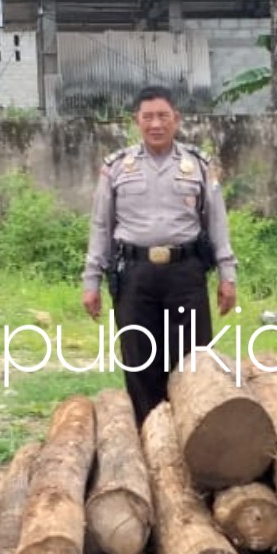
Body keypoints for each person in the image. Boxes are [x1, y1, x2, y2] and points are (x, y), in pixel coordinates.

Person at [81, 86, 238, 425]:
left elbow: (217, 222)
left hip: (185, 274)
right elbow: (101, 226)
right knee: (140, 360)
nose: (156, 124)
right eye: (148, 117)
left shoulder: (197, 165)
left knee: (192, 360)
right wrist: (91, 281)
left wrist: (228, 275)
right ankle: (150, 431)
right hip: (134, 275)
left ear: (176, 119)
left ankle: (193, 432)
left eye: (163, 116)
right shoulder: (117, 167)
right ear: (136, 120)